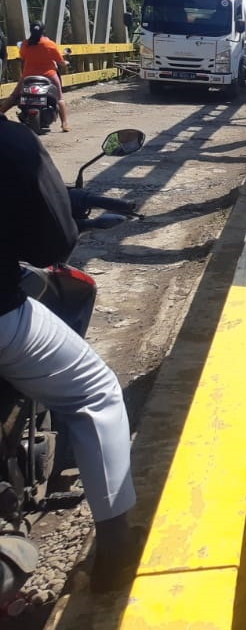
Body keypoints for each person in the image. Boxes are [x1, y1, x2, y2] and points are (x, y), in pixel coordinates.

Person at [0, 118, 136, 590]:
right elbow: (53, 243)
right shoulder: (12, 142)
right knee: (97, 393)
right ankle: (118, 558)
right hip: (3, 323)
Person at [0, 23, 70, 132]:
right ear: (43, 31)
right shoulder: (50, 44)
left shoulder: (25, 44)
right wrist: (64, 63)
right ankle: (64, 124)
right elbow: (60, 61)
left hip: (28, 75)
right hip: (49, 75)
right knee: (60, 98)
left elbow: (22, 57)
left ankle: (1, 113)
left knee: (14, 96)